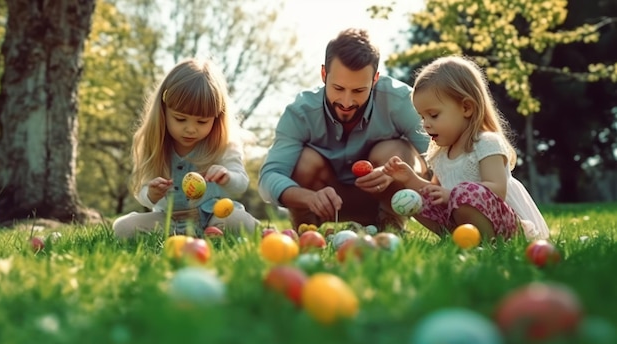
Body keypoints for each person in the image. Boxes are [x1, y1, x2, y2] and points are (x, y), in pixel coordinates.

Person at [258, 28, 430, 232]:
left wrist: (400, 174)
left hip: (382, 198)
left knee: (396, 151)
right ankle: (307, 232)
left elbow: (437, 157)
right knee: (304, 160)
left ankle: (390, 226)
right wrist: (309, 197)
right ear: (324, 74)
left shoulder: (402, 101)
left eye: (358, 90)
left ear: (374, 79)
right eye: (338, 88)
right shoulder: (300, 113)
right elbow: (269, 177)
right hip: (322, 204)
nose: (347, 102)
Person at [383, 55, 549, 240]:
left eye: (434, 115)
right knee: (415, 198)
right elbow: (434, 193)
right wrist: (409, 178)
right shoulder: (441, 154)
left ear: (466, 108)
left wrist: (453, 194)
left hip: (505, 227)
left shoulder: (486, 143)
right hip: (461, 222)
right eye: (423, 117)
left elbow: (498, 189)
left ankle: (487, 241)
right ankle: (454, 237)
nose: (426, 124)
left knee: (465, 192)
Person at [113, 58, 260, 239]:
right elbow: (141, 192)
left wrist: (227, 177)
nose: (190, 129)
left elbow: (241, 185)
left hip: (214, 215)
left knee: (238, 221)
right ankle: (196, 236)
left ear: (217, 118)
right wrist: (151, 193)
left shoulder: (225, 144)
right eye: (180, 119)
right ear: (163, 111)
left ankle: (213, 232)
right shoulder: (154, 145)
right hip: (168, 220)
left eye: (202, 121)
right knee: (123, 228)